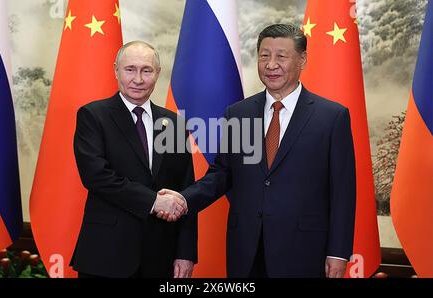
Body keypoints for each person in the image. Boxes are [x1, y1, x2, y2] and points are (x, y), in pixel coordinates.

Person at [159, 24, 356, 278]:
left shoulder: (331, 117)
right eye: (264, 55)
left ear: (302, 59)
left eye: (281, 56)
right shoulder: (238, 113)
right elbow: (222, 174)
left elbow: (342, 190)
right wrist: (184, 199)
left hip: (304, 251)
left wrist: (338, 252)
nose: (271, 64)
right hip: (246, 250)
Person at [70, 41, 197, 278]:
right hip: (106, 255)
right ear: (116, 70)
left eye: (146, 70)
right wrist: (153, 201)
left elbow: (185, 190)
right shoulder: (93, 116)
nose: (138, 79)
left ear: (157, 73)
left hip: (161, 256)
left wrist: (186, 252)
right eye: (130, 69)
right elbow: (96, 176)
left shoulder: (176, 124)